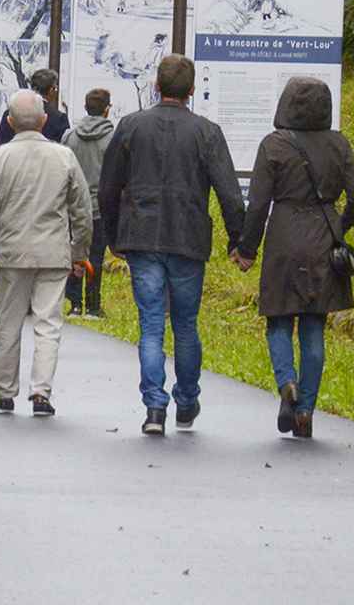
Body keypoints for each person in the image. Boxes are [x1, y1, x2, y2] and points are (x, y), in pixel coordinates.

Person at [98, 54, 245, 435]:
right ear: (192, 90)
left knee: (150, 326)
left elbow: (109, 187)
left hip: (142, 237)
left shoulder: (131, 127)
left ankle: (154, 408)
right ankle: (187, 399)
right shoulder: (207, 132)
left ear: (156, 87)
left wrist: (113, 236)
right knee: (185, 324)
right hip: (188, 236)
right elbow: (230, 192)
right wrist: (239, 242)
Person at [231, 77, 354, 439]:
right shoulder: (339, 145)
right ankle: (305, 408)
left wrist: (247, 249)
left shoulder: (274, 145)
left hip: (284, 236)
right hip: (324, 235)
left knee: (278, 320)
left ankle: (286, 382)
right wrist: (341, 224)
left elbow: (259, 203)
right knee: (313, 325)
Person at [0, 90, 93, 417]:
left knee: (9, 322)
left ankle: (3, 390)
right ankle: (41, 392)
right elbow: (82, 210)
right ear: (43, 120)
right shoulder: (64, 157)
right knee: (48, 323)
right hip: (54, 252)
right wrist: (78, 251)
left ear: (9, 122)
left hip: (11, 251)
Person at [59, 88, 114, 319]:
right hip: (99, 206)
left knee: (74, 252)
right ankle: (93, 305)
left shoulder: (69, 136)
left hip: (73, 206)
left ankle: (74, 304)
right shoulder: (113, 138)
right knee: (96, 256)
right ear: (107, 110)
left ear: (85, 108)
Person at [0, 67, 70, 146]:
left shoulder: (10, 113)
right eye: (56, 89)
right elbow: (64, 149)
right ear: (51, 90)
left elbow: (1, 146)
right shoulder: (59, 118)